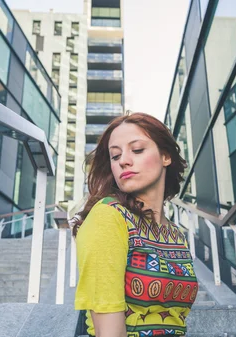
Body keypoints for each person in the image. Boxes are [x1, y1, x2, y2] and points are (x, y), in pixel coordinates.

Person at [72, 112, 198, 337]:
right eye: (115, 156)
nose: (123, 160)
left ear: (165, 156)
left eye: (137, 150)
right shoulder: (109, 217)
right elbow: (108, 331)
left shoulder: (175, 234)